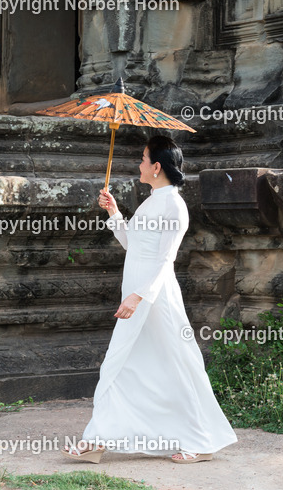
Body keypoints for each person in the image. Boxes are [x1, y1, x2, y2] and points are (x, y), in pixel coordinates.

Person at [62, 135, 237, 464]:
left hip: (156, 299)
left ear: (156, 167)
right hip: (138, 296)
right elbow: (135, 245)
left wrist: (138, 297)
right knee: (121, 364)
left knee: (180, 365)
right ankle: (98, 438)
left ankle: (202, 440)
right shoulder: (152, 200)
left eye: (143, 160)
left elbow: (164, 259)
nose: (139, 165)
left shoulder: (174, 205)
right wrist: (114, 212)